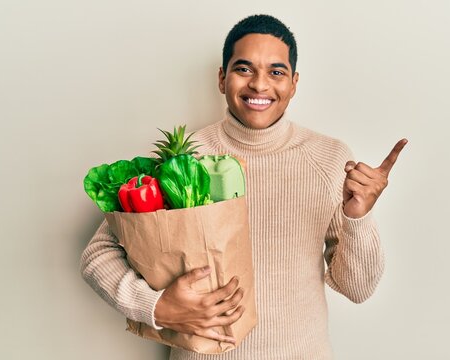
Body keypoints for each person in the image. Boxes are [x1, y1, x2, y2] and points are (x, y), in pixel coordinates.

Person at [80, 14, 407, 360]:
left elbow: (358, 289)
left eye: (276, 72)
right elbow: (97, 255)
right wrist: (157, 308)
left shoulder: (330, 159)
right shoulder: (183, 158)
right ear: (222, 79)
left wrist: (357, 217)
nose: (260, 85)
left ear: (294, 84)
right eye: (244, 69)